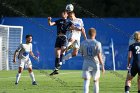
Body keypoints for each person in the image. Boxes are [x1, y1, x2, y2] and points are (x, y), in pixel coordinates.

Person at [48, 11, 82, 75]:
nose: (63, 14)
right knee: (57, 54)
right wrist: (49, 20)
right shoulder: (58, 21)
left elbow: (74, 27)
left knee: (63, 50)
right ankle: (56, 69)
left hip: (64, 38)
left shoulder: (69, 22)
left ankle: (60, 62)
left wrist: (80, 29)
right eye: (62, 13)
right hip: (58, 38)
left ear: (67, 15)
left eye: (64, 13)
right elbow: (50, 24)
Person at [80, 28, 105, 93]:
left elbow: (82, 54)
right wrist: (102, 65)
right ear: (95, 34)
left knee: (86, 81)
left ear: (88, 34)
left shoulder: (83, 43)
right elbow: (99, 55)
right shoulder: (97, 43)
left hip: (86, 64)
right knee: (96, 81)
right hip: (95, 64)